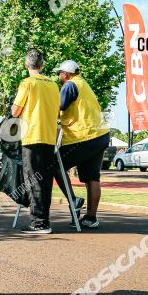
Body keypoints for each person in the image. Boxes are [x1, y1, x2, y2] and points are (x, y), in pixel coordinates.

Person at [52, 60, 110, 229]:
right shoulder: (85, 85)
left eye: (59, 74)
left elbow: (58, 107)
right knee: (92, 176)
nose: (59, 77)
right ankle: (91, 218)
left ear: (67, 74)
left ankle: (74, 200)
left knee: (55, 164)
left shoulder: (70, 85)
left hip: (83, 136)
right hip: (100, 136)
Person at [10, 50, 61, 234]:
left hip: (31, 135)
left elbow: (15, 111)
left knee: (33, 180)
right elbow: (56, 111)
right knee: (46, 181)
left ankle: (38, 223)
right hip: (48, 137)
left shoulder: (27, 83)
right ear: (43, 65)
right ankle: (43, 219)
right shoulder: (54, 85)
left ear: (26, 65)